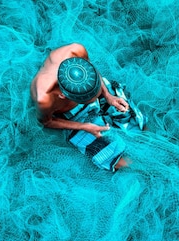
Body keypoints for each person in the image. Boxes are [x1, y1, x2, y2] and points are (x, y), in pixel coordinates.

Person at [30, 43, 146, 171]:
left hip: (98, 88)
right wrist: (85, 126)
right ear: (63, 95)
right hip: (73, 115)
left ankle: (140, 130)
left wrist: (107, 95)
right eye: (89, 100)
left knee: (127, 112)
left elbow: (93, 69)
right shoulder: (44, 98)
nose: (94, 102)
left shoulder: (75, 50)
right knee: (111, 154)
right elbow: (47, 121)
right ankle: (141, 166)